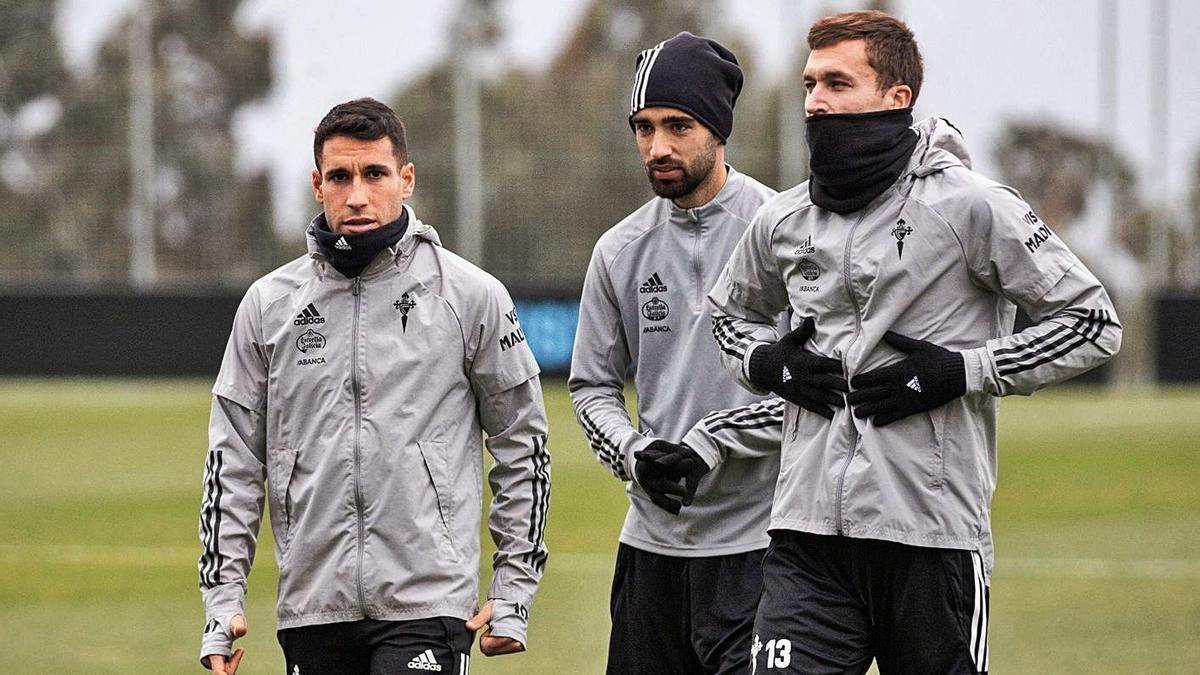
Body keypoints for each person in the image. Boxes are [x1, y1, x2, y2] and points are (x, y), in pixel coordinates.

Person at [704, 11, 1121, 674]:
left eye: (837, 83)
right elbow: (726, 313)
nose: (815, 100)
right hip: (806, 540)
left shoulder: (973, 207)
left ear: (896, 97)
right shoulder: (781, 218)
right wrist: (764, 360)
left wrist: (965, 369)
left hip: (931, 538)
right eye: (810, 83)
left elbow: (1092, 322)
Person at [197, 97, 550, 675]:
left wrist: (513, 591)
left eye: (374, 174)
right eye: (340, 176)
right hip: (314, 609)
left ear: (406, 179)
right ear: (318, 185)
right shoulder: (269, 306)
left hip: (428, 603)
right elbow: (230, 460)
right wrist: (221, 603)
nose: (356, 195)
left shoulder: (470, 296)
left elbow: (523, 444)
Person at [569, 32, 785, 675]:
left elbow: (812, 390)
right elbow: (591, 388)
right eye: (643, 127)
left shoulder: (783, 230)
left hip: (761, 548)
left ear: (719, 129)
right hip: (650, 554)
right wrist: (637, 455)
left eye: (678, 126)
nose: (657, 146)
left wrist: (709, 442)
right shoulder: (618, 250)